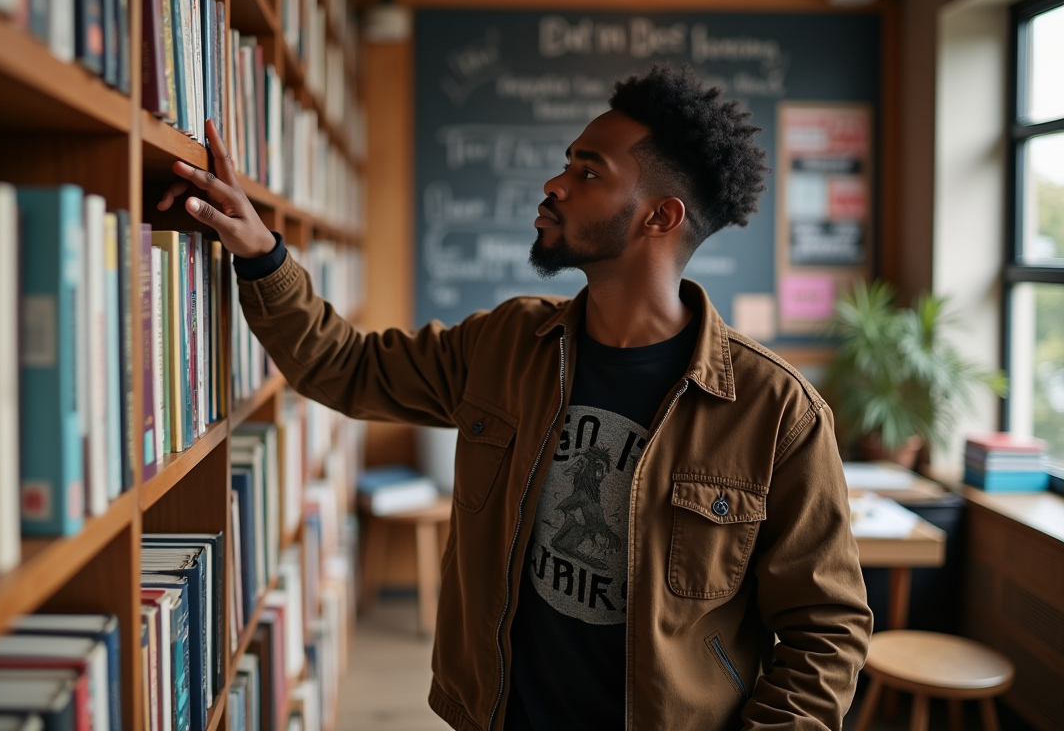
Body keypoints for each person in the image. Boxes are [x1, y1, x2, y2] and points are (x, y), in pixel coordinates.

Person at [160, 64, 872, 731]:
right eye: (567, 162)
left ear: (661, 217)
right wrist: (261, 256)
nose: (555, 184)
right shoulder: (508, 344)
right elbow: (343, 367)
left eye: (588, 172)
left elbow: (826, 628)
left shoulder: (776, 411)